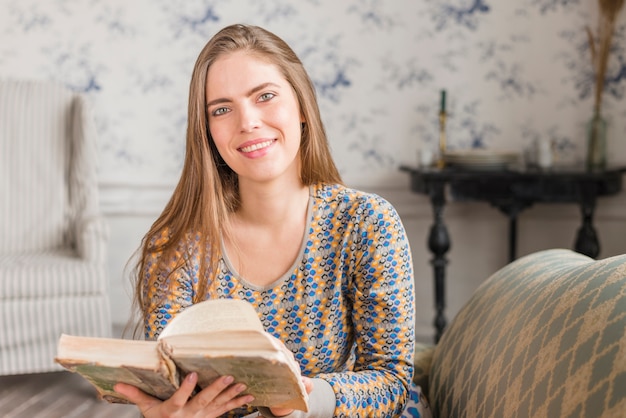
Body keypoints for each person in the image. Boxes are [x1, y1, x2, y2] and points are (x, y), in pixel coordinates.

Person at [114, 23, 429, 418]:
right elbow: (171, 388)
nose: (247, 122)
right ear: (207, 130)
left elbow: (391, 381)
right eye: (222, 109)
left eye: (265, 96)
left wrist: (301, 400)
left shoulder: (366, 223)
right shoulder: (174, 246)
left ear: (301, 107)